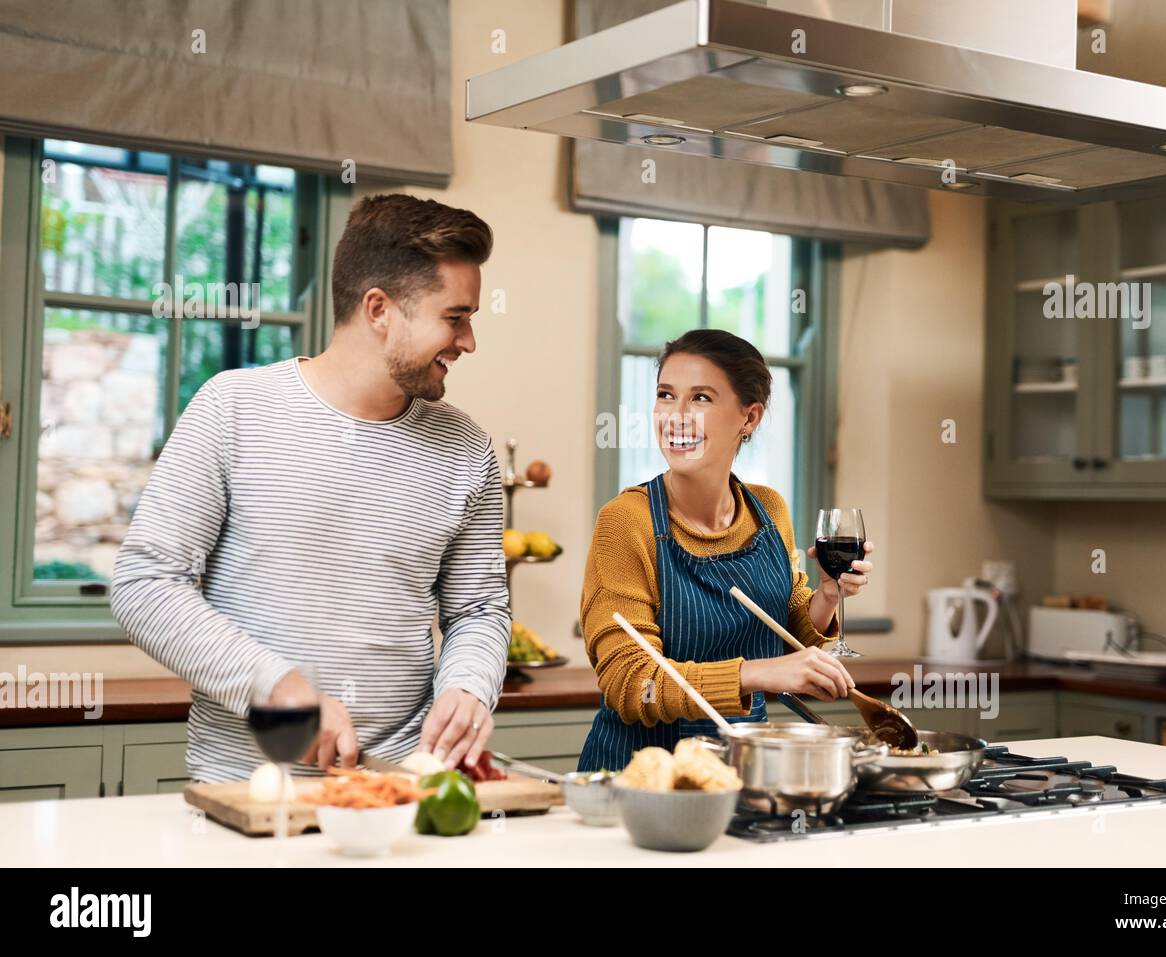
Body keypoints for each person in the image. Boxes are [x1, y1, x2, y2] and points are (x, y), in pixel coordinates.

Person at [112, 194, 510, 782]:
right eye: (455, 317)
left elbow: (479, 609)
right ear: (380, 309)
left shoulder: (467, 450)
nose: (469, 341)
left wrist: (468, 686)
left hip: (399, 792)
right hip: (248, 793)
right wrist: (276, 687)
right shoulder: (233, 409)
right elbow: (144, 583)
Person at [577, 329, 872, 771]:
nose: (676, 416)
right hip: (642, 779)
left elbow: (789, 621)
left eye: (700, 399)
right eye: (665, 394)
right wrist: (758, 673)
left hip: (742, 768)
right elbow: (631, 682)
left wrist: (828, 597)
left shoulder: (768, 508)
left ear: (749, 418)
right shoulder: (626, 521)